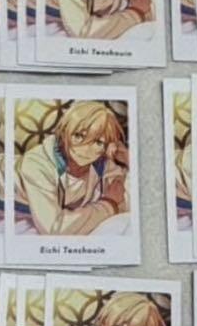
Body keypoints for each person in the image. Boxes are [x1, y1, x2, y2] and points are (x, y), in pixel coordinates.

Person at [16, 101, 129, 237]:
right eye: (79, 136)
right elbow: (55, 230)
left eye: (98, 142)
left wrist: (128, 158)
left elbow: (127, 199)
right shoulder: (37, 164)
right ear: (64, 132)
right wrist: (108, 204)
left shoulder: (101, 163)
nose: (86, 149)